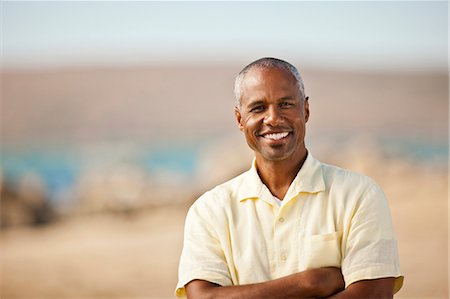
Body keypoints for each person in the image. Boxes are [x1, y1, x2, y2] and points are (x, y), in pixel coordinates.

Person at [176, 57, 403, 298]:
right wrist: (309, 282)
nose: (273, 118)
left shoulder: (359, 195)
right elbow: (202, 297)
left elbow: (374, 294)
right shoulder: (210, 210)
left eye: (285, 104)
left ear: (305, 110)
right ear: (240, 119)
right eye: (258, 107)